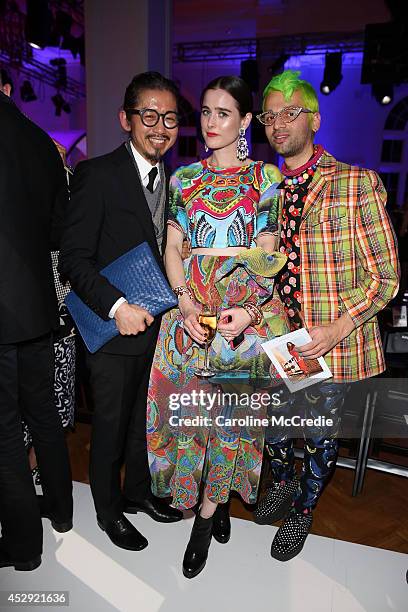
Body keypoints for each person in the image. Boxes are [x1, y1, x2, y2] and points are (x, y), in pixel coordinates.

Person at [146, 75, 289, 579]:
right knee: (192, 424)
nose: (210, 122)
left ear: (246, 121)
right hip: (190, 318)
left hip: (242, 324)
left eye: (223, 113)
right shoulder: (184, 179)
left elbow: (269, 252)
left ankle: (205, 521)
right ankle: (213, 500)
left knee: (228, 426)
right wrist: (184, 303)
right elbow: (172, 247)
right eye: (205, 111)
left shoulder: (264, 180)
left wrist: (249, 312)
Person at [254, 69, 400, 561]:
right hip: (276, 341)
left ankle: (304, 510)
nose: (278, 125)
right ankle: (283, 484)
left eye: (289, 113)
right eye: (270, 116)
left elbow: (386, 277)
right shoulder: (264, 189)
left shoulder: (356, 183)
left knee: (317, 440)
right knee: (275, 431)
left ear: (313, 120)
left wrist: (338, 326)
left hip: (327, 343)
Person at [60, 72, 183, 552]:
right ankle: (109, 513)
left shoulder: (177, 179)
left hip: (156, 327)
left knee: (140, 421)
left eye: (169, 117)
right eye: (148, 115)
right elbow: (74, 258)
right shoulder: (97, 174)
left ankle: (137, 495)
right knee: (110, 426)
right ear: (126, 119)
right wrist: (116, 307)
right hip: (114, 327)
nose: (160, 126)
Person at [0, 86, 73, 572]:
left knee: (5, 433)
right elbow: (55, 232)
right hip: (37, 307)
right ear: (7, 89)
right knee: (43, 413)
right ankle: (62, 514)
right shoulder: (42, 142)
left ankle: (24, 549)